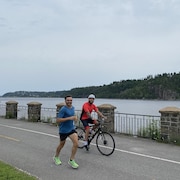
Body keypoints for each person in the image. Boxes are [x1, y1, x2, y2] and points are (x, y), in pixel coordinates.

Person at [53, 95, 79, 169]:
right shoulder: (63, 109)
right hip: (63, 130)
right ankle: (56, 157)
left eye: (70, 100)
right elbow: (58, 120)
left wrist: (75, 118)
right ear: (65, 101)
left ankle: (71, 160)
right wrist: (70, 118)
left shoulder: (73, 108)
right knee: (61, 144)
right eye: (68, 100)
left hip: (71, 129)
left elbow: (73, 116)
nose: (69, 101)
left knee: (76, 143)